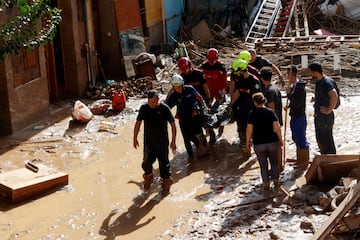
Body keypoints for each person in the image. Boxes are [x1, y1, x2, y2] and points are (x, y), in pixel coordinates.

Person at [133, 90, 177, 194]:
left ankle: (166, 184)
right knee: (146, 162)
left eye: (153, 102)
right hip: (149, 142)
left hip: (162, 142)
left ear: (158, 99)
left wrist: (173, 141)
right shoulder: (144, 108)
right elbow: (138, 123)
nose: (151, 104)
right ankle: (148, 177)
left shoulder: (164, 108)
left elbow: (173, 125)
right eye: (149, 102)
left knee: (164, 164)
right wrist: (135, 138)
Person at [166, 74, 207, 162]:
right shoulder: (173, 95)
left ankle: (204, 148)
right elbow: (167, 107)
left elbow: (199, 97)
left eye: (179, 87)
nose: (178, 89)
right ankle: (191, 156)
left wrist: (203, 106)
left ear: (182, 85)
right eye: (175, 87)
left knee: (199, 133)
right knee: (186, 137)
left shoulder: (190, 89)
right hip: (183, 117)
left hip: (194, 115)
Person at [246, 92, 283, 190]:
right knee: (274, 163)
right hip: (272, 142)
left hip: (259, 144)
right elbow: (277, 127)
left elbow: (249, 130)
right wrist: (281, 139)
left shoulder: (252, 114)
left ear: (255, 102)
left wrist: (248, 142)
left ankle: (266, 184)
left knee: (263, 166)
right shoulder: (270, 112)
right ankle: (276, 181)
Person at [178, 57, 215, 143]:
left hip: (202, 99)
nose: (184, 71)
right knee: (195, 123)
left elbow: (205, 88)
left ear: (190, 66)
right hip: (191, 103)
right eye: (182, 70)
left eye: (185, 69)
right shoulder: (181, 78)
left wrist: (209, 100)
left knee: (206, 119)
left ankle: (211, 133)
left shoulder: (199, 74)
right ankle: (202, 141)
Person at [229, 59, 261, 158]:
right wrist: (230, 104)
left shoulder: (254, 81)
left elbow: (259, 98)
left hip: (252, 110)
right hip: (241, 109)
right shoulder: (240, 79)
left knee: (255, 133)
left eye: (237, 72)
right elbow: (237, 92)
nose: (236, 74)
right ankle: (246, 152)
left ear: (242, 70)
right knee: (241, 131)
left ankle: (257, 153)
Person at [308, 62, 338, 154]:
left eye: (311, 72)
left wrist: (329, 109)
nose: (310, 74)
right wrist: (316, 99)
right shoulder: (319, 82)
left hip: (325, 117)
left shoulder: (326, 82)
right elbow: (326, 95)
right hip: (320, 115)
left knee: (327, 140)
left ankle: (331, 161)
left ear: (316, 72)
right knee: (320, 139)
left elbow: (334, 95)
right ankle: (325, 159)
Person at [200, 48, 228, 139]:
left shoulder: (221, 66)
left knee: (221, 109)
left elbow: (224, 82)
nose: (211, 63)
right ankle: (208, 130)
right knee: (206, 108)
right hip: (209, 90)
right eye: (210, 60)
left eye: (213, 61)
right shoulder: (204, 66)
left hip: (219, 89)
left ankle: (221, 130)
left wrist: (221, 95)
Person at [285, 65, 310, 164]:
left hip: (299, 117)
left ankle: (304, 161)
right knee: (295, 137)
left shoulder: (299, 87)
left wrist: (289, 95)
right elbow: (295, 101)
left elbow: (299, 103)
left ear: (292, 75)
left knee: (301, 138)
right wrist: (289, 106)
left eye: (288, 75)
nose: (287, 77)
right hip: (295, 116)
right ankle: (300, 158)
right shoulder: (294, 87)